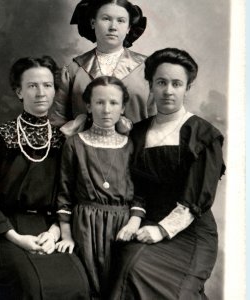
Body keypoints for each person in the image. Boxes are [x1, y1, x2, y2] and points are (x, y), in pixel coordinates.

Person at [0, 56, 90, 300]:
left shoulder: (62, 140)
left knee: (78, 284)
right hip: (4, 232)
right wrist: (16, 237)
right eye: (32, 86)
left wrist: (55, 232)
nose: (41, 92)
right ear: (19, 92)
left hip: (47, 229)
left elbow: (70, 195)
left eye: (47, 85)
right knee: (31, 285)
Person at [109, 48, 226, 300]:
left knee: (171, 289)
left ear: (188, 88)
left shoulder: (202, 135)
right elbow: (134, 187)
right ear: (151, 85)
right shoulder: (137, 132)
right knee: (128, 269)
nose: (168, 91)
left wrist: (162, 230)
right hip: (145, 222)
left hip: (190, 231)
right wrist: (136, 221)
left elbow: (197, 200)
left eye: (177, 84)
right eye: (161, 82)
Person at [55, 76, 146, 299]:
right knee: (87, 289)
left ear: (123, 107)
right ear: (88, 105)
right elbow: (64, 194)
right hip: (84, 226)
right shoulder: (75, 144)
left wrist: (134, 223)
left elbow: (140, 194)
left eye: (114, 103)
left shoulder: (131, 145)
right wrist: (66, 236)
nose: (106, 110)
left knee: (121, 289)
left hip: (122, 227)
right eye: (99, 102)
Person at [50, 0, 155, 136]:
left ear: (129, 27)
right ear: (93, 23)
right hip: (85, 154)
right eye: (106, 19)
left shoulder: (149, 68)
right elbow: (58, 121)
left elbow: (159, 121)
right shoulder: (74, 70)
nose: (113, 27)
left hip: (137, 154)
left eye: (121, 21)